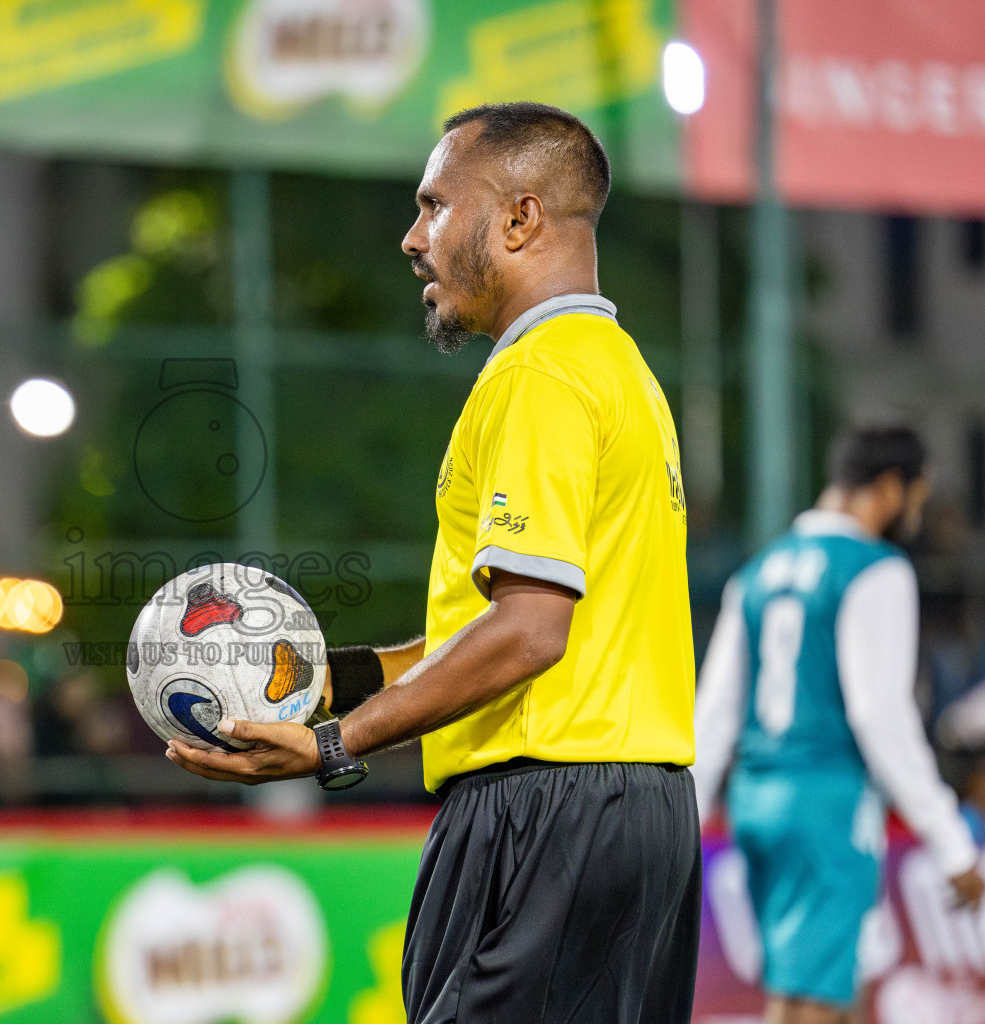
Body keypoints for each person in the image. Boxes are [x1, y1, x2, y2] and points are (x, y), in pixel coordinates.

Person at [167, 102, 699, 1022]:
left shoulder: (538, 377)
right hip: (638, 812)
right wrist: (330, 681)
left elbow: (529, 632)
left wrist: (334, 744)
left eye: (434, 206)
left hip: (545, 812)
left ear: (520, 218)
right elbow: (500, 631)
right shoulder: (619, 369)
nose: (413, 239)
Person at [693, 427, 984, 1024]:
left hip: (757, 800)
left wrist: (685, 818)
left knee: (825, 984)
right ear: (887, 487)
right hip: (827, 802)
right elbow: (880, 715)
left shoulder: (759, 570)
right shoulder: (875, 568)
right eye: (916, 497)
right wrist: (951, 840)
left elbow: (715, 710)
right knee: (812, 1003)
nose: (914, 513)